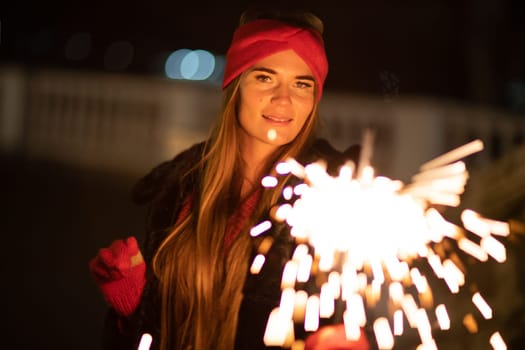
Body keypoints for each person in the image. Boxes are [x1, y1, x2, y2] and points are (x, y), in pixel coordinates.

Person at [89, 7, 371, 350]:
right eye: (265, 77)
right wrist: (131, 309)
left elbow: (339, 316)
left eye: (302, 83)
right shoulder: (182, 186)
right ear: (235, 85)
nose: (284, 99)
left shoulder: (331, 198)